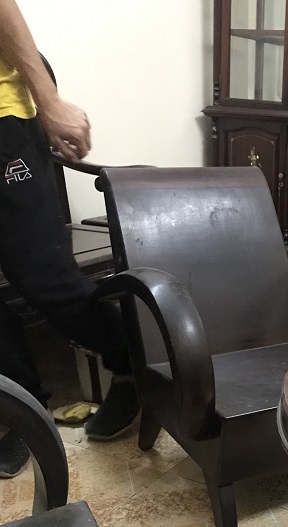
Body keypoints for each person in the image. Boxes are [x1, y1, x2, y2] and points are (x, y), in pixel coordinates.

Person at [0, 0, 139, 477]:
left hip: (3, 120)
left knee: (46, 281)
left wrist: (49, 101)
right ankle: (26, 412)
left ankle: (133, 366)